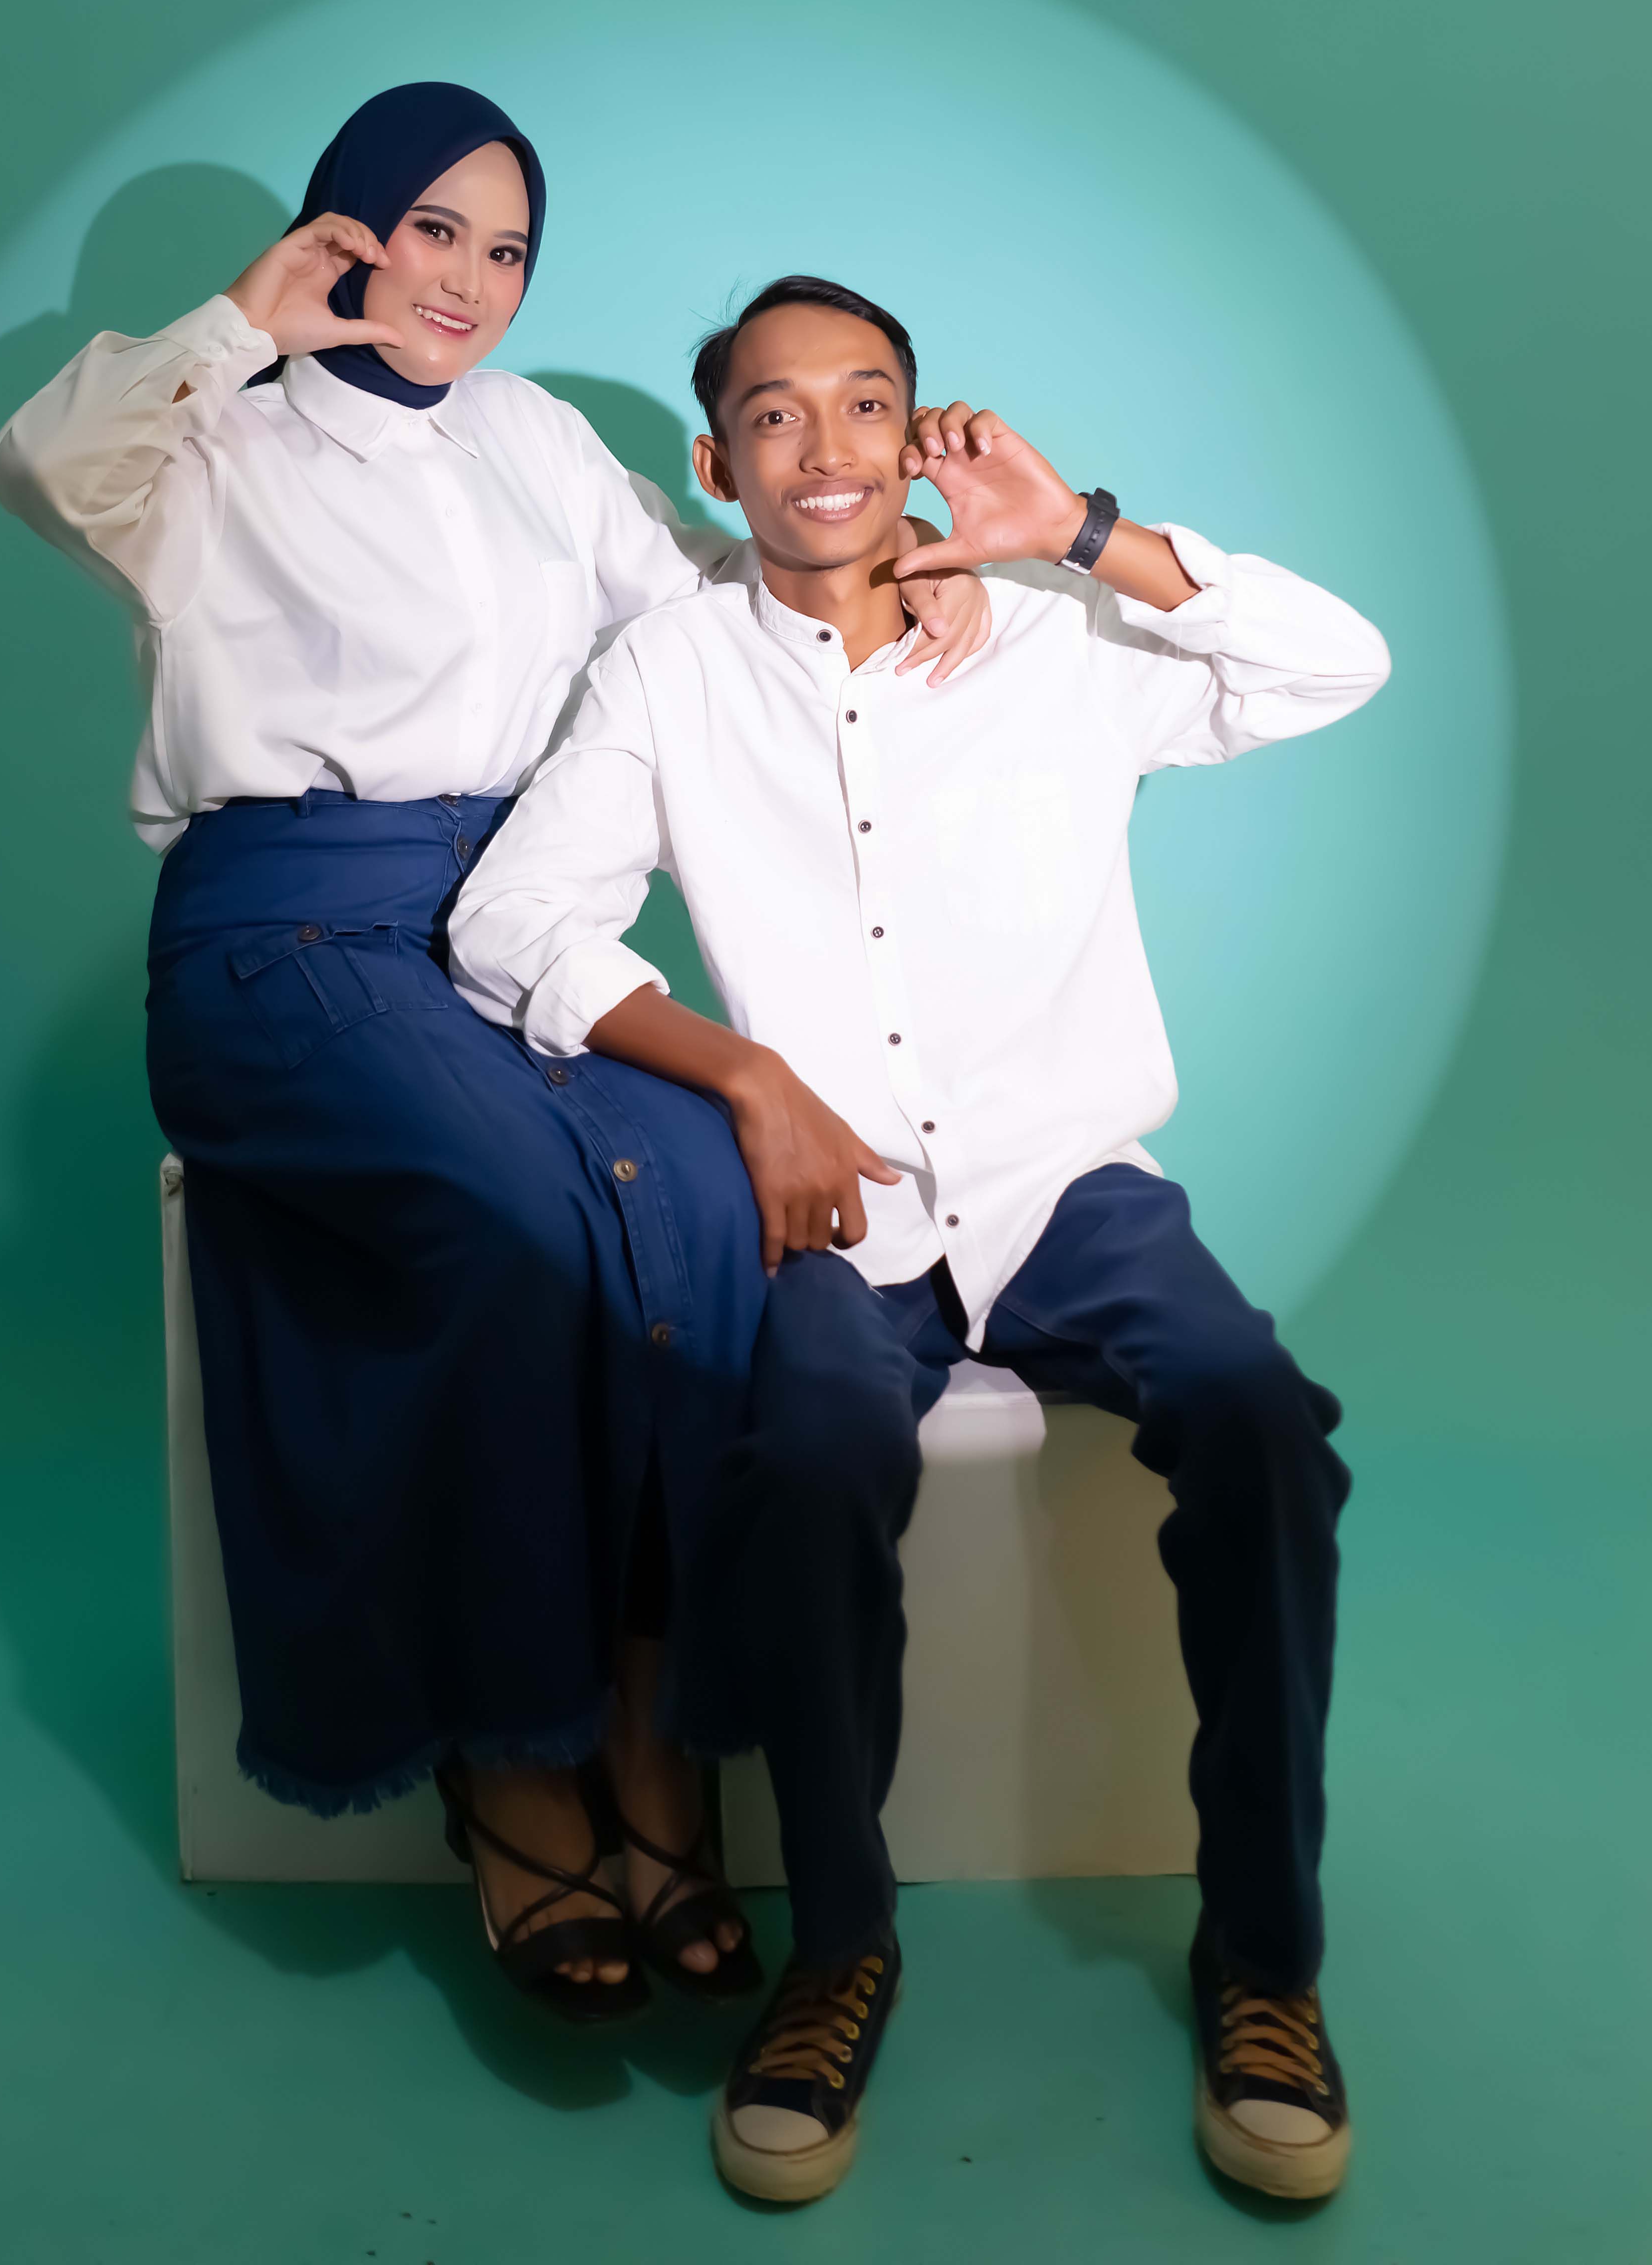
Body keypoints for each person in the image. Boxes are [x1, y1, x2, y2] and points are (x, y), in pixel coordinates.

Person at [0, 94, 990, 2025]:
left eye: (507, 250)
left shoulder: (536, 440)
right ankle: (508, 1758)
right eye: (430, 229)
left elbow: (716, 607)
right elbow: (39, 467)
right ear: (347, 228)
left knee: (694, 1194)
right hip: (285, 936)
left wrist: (906, 574)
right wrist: (243, 323)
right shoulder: (216, 432)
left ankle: (648, 1733)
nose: (466, 280)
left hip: (510, 924)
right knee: (523, 1222)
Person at [448, 273, 1390, 2199]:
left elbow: (1336, 666)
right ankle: (841, 1948)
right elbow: (511, 921)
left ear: (915, 436)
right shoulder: (669, 674)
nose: (827, 447)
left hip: (1069, 1186)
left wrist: (1085, 537)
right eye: (775, 415)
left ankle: (1265, 1961)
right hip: (845, 1218)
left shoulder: (1056, 637)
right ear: (716, 465)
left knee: (1259, 1418)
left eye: (867, 404)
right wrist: (749, 1077)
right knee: (801, 1460)